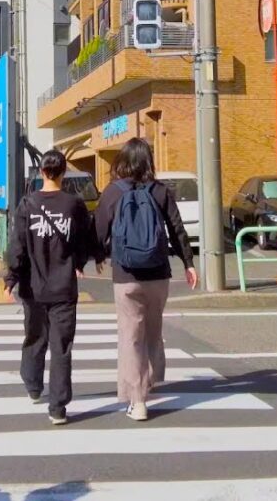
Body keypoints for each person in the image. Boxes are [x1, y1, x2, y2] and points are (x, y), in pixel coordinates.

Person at [94, 137, 197, 422]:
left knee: (130, 337)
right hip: (158, 274)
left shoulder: (113, 192)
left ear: (123, 161)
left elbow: (99, 228)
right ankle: (150, 379)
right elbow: (176, 229)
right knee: (153, 329)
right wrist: (189, 263)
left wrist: (98, 256)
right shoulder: (160, 191)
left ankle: (137, 400)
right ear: (148, 161)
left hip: (126, 275)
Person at [4, 149, 97, 426]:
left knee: (35, 338)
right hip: (64, 287)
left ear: (42, 172)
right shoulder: (74, 205)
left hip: (33, 287)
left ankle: (33, 386)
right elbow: (84, 241)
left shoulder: (27, 205)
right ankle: (57, 408)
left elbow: (17, 246)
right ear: (64, 172)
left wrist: (11, 279)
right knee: (62, 347)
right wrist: (80, 263)